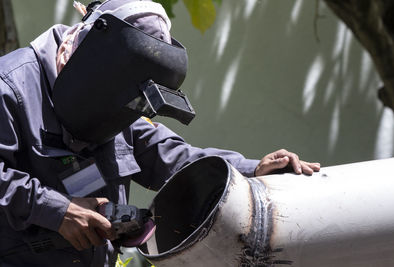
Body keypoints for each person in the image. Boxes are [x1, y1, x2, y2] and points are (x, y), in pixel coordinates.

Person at [0, 0, 320, 266]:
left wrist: (252, 170)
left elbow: (174, 158)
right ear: (87, 53)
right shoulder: (9, 88)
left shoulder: (118, 99)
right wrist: (57, 211)